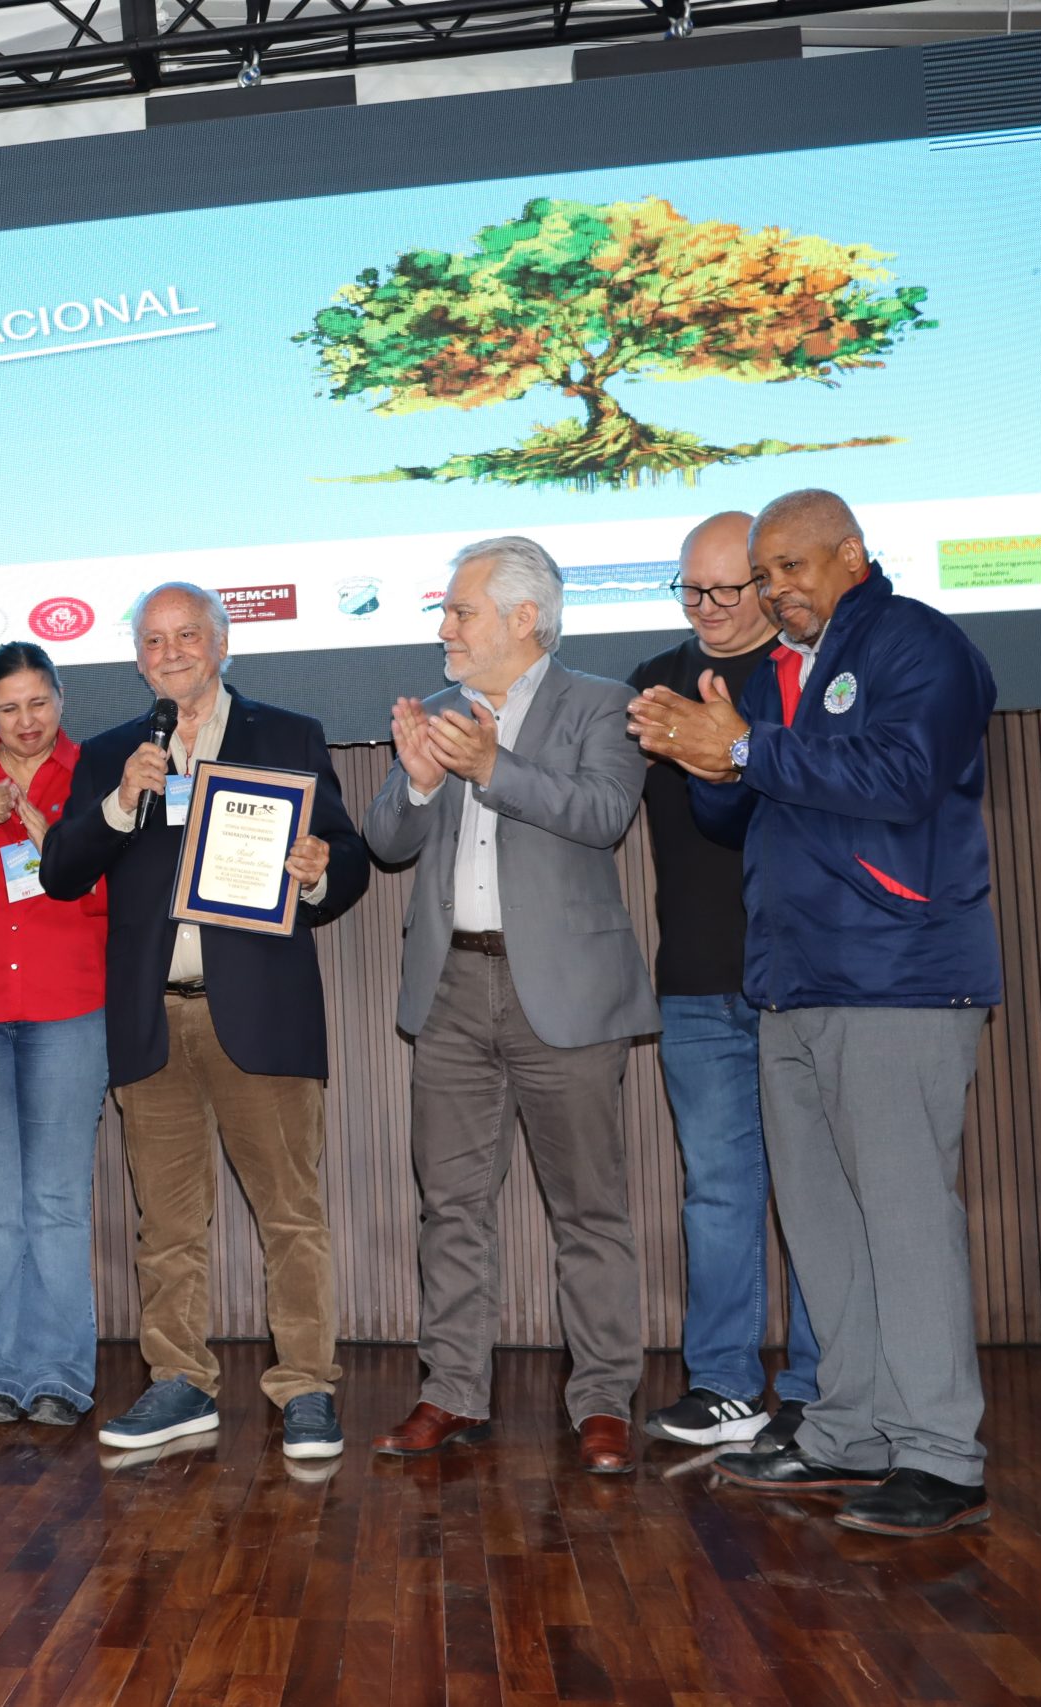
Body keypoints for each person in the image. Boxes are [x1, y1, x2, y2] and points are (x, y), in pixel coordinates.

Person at [632, 489, 1002, 1537]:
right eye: (764, 574)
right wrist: (709, 753)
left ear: (851, 555)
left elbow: (899, 776)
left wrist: (745, 749)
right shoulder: (788, 672)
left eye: (790, 568)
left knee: (903, 1218)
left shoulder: (917, 644)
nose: (773, 591)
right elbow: (733, 808)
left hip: (898, 975)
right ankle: (849, 1427)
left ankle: (940, 1451)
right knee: (824, 1223)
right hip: (792, 980)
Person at [41, 585, 368, 1463]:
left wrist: (315, 870)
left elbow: (348, 862)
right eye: (153, 639)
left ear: (221, 645)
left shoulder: (287, 732)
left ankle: (306, 1386)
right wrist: (116, 804)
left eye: (188, 635)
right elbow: (62, 869)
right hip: (153, 1021)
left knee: (291, 1214)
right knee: (167, 1225)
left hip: (259, 1014)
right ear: (137, 655)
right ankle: (178, 1381)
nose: (171, 650)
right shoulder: (113, 751)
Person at [361, 537, 658, 1475]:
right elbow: (385, 840)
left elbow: (604, 812)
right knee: (450, 1206)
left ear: (523, 619)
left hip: (562, 992)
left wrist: (492, 764)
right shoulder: (441, 712)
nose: (444, 627)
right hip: (451, 987)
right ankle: (452, 1390)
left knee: (589, 1209)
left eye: (460, 612)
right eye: (447, 612)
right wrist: (415, 779)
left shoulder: (601, 704)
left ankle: (604, 1397)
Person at [625, 515, 820, 1451]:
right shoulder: (649, 685)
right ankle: (726, 1384)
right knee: (718, 1188)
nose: (706, 611)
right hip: (698, 975)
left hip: (806, 973)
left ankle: (823, 1388)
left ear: (769, 582)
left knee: (819, 1185)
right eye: (689, 591)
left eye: (726, 592)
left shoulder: (807, 672)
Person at [0, 644, 109, 1428]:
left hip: (70, 1007)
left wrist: (58, 838)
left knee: (57, 1201)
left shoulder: (98, 774)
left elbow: (122, 891)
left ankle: (62, 1374)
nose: (26, 721)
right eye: (9, 707)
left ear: (61, 699)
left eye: (39, 702)